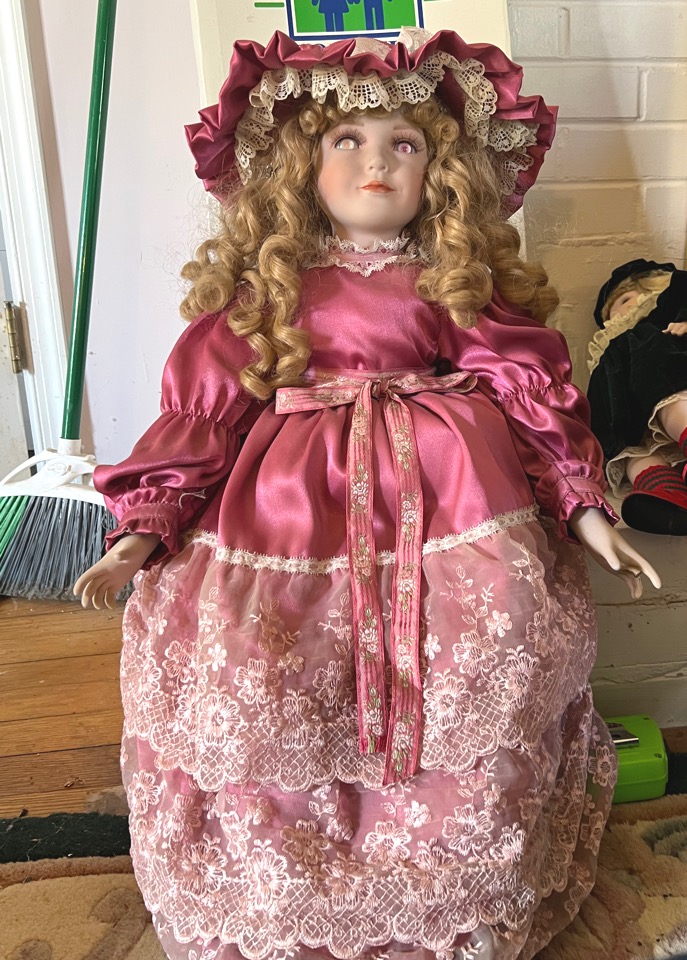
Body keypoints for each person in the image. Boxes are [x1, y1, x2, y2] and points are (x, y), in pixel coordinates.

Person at [74, 28, 660, 960]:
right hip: (289, 515)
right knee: (270, 669)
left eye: (404, 144)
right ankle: (289, 883)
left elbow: (525, 392)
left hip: (452, 505)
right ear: (301, 164)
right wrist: (139, 533)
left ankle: (448, 885)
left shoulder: (451, 283)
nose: (375, 163)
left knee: (476, 659)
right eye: (346, 140)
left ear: (441, 171)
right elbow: (205, 413)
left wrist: (586, 509)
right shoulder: (271, 289)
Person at [587, 259, 687, 535]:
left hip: (674, 372)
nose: (616, 314)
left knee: (667, 391)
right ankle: (660, 489)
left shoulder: (665, 309)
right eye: (609, 316)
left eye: (624, 300)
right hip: (635, 417)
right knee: (627, 444)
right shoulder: (613, 355)